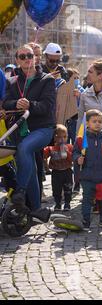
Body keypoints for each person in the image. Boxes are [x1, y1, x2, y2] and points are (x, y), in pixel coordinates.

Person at [3, 44, 56, 223]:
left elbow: (48, 106)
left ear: (35, 58)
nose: (27, 59)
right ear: (17, 60)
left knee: (25, 149)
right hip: (19, 130)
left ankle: (19, 192)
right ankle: (36, 210)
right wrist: (16, 104)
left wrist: (30, 105)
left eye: (30, 55)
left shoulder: (47, 79)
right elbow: (6, 103)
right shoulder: (12, 81)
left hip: (43, 129)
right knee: (30, 167)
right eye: (23, 56)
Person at [73, 109, 102, 230]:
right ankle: (85, 221)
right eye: (94, 121)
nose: (98, 123)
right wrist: (78, 158)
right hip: (87, 176)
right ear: (87, 123)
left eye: (100, 121)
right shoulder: (80, 140)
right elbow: (75, 153)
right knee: (87, 199)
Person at [43, 124, 73, 211]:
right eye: (59, 137)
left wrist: (68, 153)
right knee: (56, 189)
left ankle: (67, 203)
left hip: (67, 171)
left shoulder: (69, 147)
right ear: (54, 138)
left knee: (68, 188)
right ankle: (57, 203)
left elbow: (72, 159)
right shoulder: (51, 148)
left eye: (64, 137)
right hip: (56, 172)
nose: (62, 139)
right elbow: (44, 155)